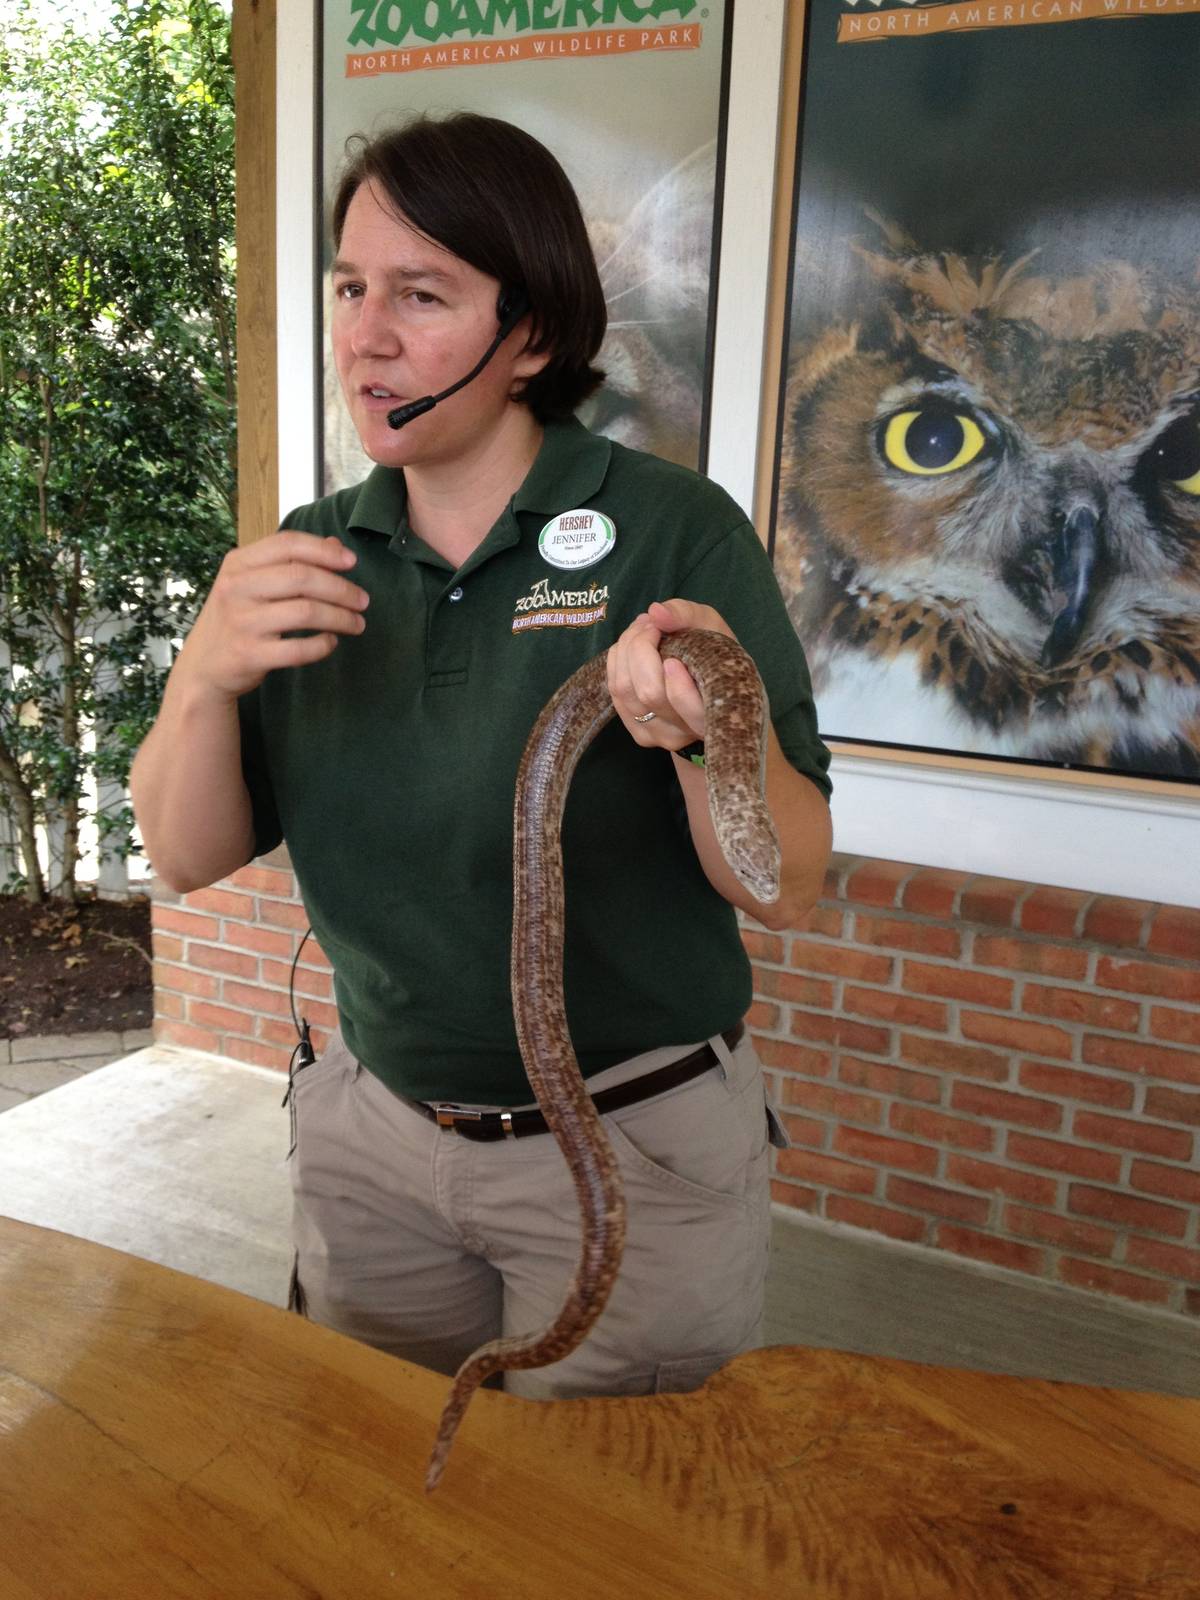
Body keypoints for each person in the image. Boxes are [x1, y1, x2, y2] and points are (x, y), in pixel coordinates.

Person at [130, 112, 833, 1401]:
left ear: (536, 339)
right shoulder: (310, 554)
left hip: (636, 1148)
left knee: (614, 1523)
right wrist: (202, 674)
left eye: (423, 293)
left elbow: (785, 880)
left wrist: (700, 736)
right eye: (351, 286)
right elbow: (184, 856)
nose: (365, 336)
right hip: (371, 1136)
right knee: (390, 1485)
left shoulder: (668, 532)